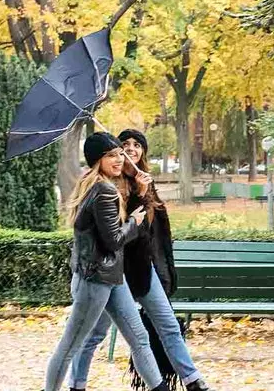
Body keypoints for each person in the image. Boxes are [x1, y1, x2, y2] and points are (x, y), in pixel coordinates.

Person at [66, 129, 213, 391]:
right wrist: (138, 196)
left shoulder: (144, 181)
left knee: (167, 324)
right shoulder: (108, 183)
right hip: (114, 271)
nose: (131, 149)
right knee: (94, 334)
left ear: (142, 151)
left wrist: (144, 192)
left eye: (137, 145)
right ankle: (76, 384)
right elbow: (118, 232)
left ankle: (192, 380)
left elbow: (152, 232)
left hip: (142, 269)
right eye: (125, 145)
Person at [43, 132, 169, 391]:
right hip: (96, 280)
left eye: (119, 154)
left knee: (139, 337)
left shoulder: (95, 186)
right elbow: (113, 240)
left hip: (112, 276)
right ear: (97, 160)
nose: (119, 159)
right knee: (70, 345)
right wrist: (134, 221)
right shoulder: (103, 191)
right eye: (111, 155)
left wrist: (139, 195)